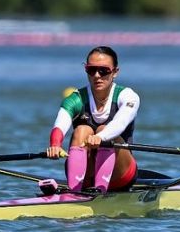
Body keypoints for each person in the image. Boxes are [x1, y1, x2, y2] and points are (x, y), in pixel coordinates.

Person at [46, 46, 139, 193]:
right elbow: (60, 124)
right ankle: (75, 190)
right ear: (86, 70)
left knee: (103, 129)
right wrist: (55, 144)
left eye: (103, 71)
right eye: (91, 70)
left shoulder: (128, 96)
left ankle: (100, 190)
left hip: (120, 175)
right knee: (82, 130)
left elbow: (120, 123)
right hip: (86, 176)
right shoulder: (75, 99)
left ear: (115, 72)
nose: (97, 75)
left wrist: (100, 137)